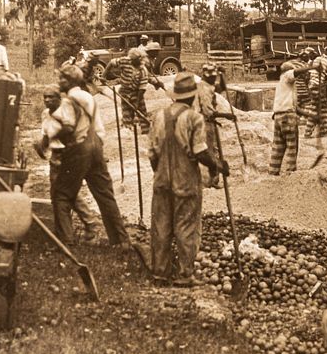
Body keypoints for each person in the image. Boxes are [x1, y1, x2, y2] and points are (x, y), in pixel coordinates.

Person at [147, 72, 228, 287]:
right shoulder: (194, 118)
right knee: (186, 226)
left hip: (162, 179)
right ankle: (184, 274)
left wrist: (160, 172)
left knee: (161, 226)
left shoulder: (159, 116)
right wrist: (217, 165)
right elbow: (201, 151)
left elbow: (152, 154)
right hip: (186, 181)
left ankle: (160, 273)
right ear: (193, 96)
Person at [51, 64, 131, 248]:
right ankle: (120, 240)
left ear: (69, 80)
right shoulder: (88, 96)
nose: (58, 82)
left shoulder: (69, 100)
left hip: (80, 148)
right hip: (96, 145)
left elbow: (69, 127)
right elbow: (98, 126)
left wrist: (48, 140)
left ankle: (66, 243)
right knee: (105, 195)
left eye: (61, 78)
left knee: (61, 193)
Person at [34, 85, 100, 243]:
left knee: (66, 194)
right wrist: (42, 146)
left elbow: (71, 132)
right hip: (55, 157)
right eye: (45, 97)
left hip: (68, 157)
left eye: (51, 97)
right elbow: (46, 133)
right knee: (57, 195)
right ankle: (67, 233)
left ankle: (87, 227)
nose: (47, 100)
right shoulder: (45, 114)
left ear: (59, 98)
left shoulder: (66, 113)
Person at [269, 60, 316, 175]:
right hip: (287, 117)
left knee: (278, 146)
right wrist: (311, 67)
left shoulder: (284, 86)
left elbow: (296, 108)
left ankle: (273, 171)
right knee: (291, 146)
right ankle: (290, 172)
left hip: (279, 117)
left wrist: (310, 115)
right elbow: (294, 72)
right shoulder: (286, 77)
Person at [110, 47, 165, 132]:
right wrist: (103, 76)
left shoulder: (143, 67)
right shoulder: (125, 61)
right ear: (132, 60)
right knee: (127, 113)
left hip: (137, 92)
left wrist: (137, 102)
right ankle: (128, 130)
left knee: (142, 113)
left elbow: (142, 87)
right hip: (124, 91)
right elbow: (111, 62)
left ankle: (146, 131)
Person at [198, 63, 225, 188]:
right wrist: (226, 115)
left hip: (209, 121)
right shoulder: (203, 88)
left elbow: (221, 88)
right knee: (209, 151)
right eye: (212, 77)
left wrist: (222, 74)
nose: (214, 79)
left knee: (213, 150)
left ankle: (213, 179)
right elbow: (208, 111)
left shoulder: (209, 85)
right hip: (204, 122)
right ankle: (209, 181)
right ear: (206, 76)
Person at [306, 47, 327, 138]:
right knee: (324, 108)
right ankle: (322, 131)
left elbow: (308, 75)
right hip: (319, 87)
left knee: (315, 108)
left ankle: (309, 132)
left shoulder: (315, 60)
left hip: (311, 86)